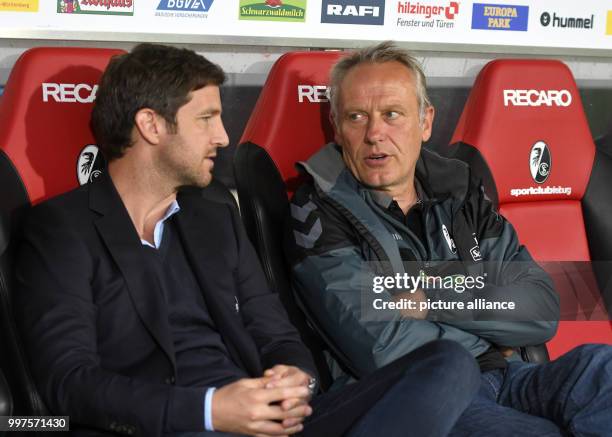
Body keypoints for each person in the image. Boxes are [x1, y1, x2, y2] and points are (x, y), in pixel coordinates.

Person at [15, 43, 481, 437]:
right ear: (151, 126)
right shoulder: (60, 228)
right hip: (176, 424)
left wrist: (294, 378)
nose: (223, 136)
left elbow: (275, 333)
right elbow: (68, 383)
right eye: (206, 119)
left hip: (268, 423)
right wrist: (211, 409)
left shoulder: (213, 214)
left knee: (448, 363)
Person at [286, 41, 612, 436]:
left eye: (392, 114)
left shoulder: (460, 190)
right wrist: (489, 328)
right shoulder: (317, 208)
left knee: (603, 371)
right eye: (357, 117)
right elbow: (382, 347)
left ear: (425, 122)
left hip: (508, 376)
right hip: (416, 398)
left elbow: (540, 307)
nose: (375, 133)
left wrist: (431, 300)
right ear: (337, 129)